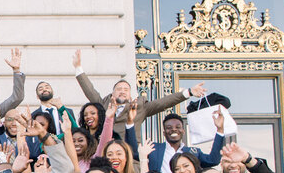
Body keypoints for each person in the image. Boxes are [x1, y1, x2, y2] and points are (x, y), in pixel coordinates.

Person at [72, 49, 205, 130]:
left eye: (126, 89)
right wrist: (78, 68)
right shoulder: (103, 105)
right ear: (112, 93)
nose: (122, 91)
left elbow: (163, 102)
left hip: (130, 159)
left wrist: (188, 92)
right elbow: (90, 90)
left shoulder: (140, 107)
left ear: (130, 95)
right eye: (119, 89)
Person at [141, 112, 227, 173]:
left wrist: (220, 130)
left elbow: (213, 160)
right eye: (169, 127)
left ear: (183, 131)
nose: (174, 129)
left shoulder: (193, 152)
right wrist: (130, 123)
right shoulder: (152, 148)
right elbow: (132, 154)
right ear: (164, 133)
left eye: (178, 127)